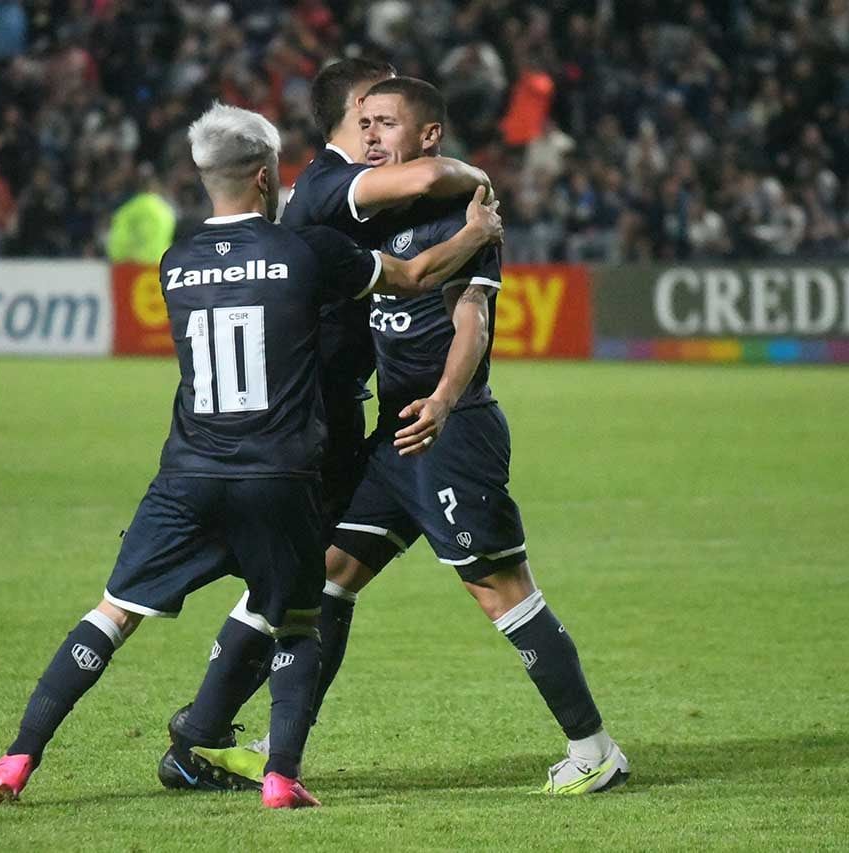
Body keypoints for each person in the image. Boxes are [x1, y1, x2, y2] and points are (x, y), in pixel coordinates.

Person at [0, 102, 503, 810]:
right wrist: (474, 234)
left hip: (188, 474)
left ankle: (15, 759)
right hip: (278, 476)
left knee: (113, 614)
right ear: (266, 176)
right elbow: (413, 277)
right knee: (299, 622)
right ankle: (281, 775)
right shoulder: (305, 251)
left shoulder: (175, 263)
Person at [175, 78, 629, 796]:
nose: (372, 135)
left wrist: (444, 400)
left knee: (499, 588)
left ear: (428, 138)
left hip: (450, 432)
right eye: (366, 124)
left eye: (387, 123)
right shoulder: (374, 213)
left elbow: (472, 318)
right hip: (392, 437)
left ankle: (594, 747)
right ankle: (279, 743)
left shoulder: (460, 213)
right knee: (329, 575)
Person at [158, 58, 498, 790]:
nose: (382, 121)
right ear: (355, 109)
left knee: (322, 577)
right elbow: (429, 180)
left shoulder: (336, 184)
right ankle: (201, 735)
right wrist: (479, 184)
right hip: (311, 414)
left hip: (320, 407)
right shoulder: (331, 182)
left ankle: (209, 731)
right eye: (374, 109)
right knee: (295, 581)